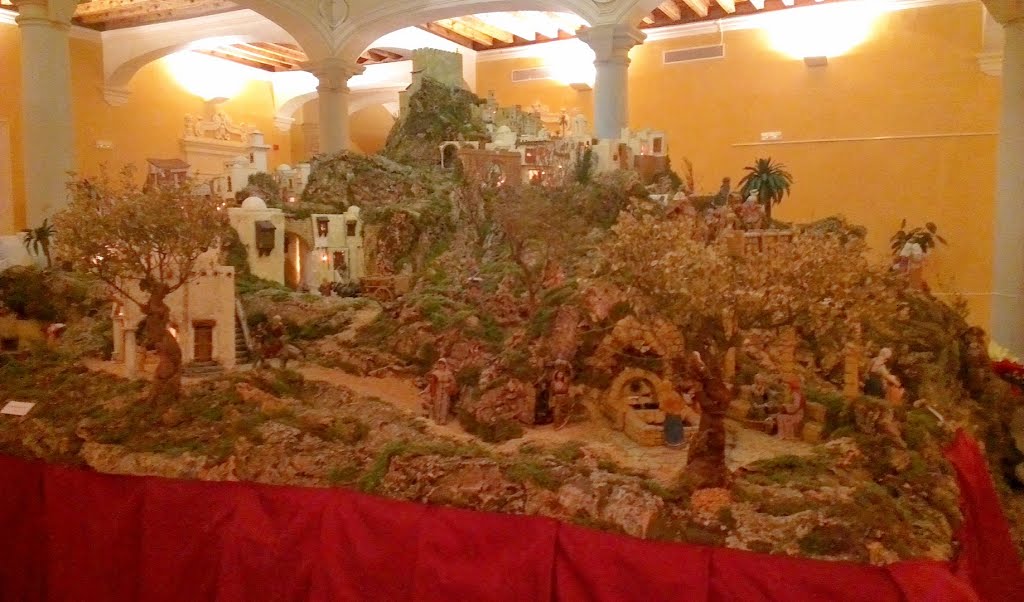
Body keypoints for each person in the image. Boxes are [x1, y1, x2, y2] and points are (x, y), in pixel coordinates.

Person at [425, 358, 458, 424]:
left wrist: (449, 386)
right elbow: (432, 383)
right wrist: (428, 390)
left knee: (445, 404)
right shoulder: (435, 373)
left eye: (442, 364)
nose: (440, 365)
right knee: (437, 404)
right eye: (439, 363)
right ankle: (437, 419)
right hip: (438, 389)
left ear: (445, 365)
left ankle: (443, 420)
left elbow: (453, 381)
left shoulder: (448, 373)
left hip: (446, 390)